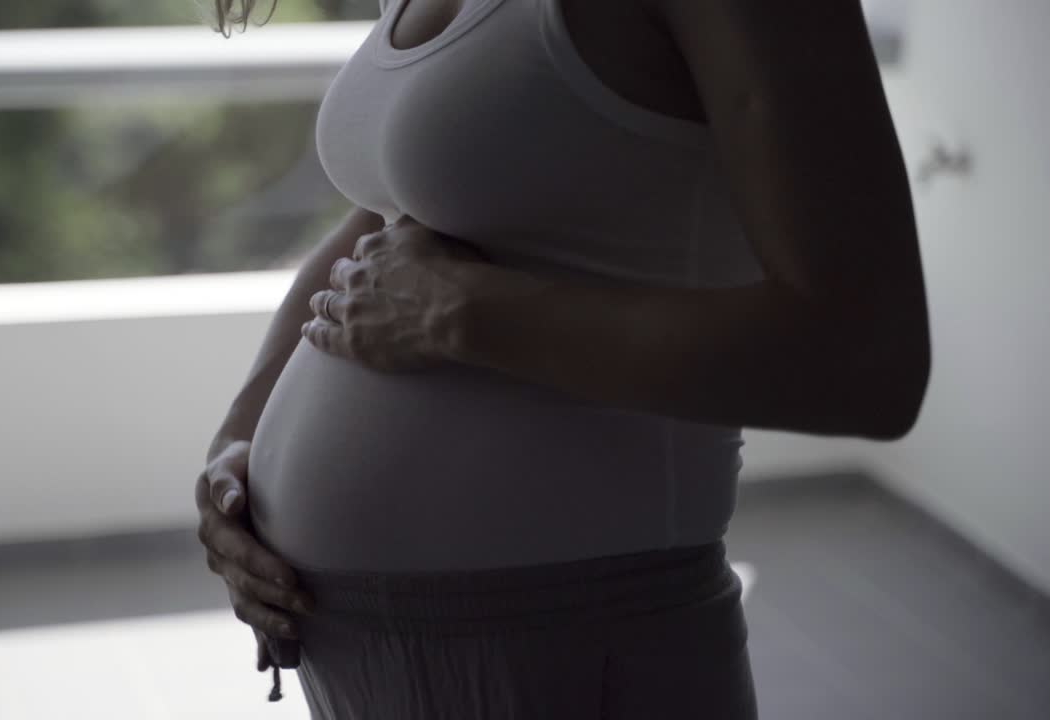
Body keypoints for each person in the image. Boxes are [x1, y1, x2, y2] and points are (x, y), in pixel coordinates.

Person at [195, 0, 932, 716]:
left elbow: (868, 358)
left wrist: (467, 316)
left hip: (575, 636)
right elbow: (393, 212)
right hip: (347, 639)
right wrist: (241, 440)